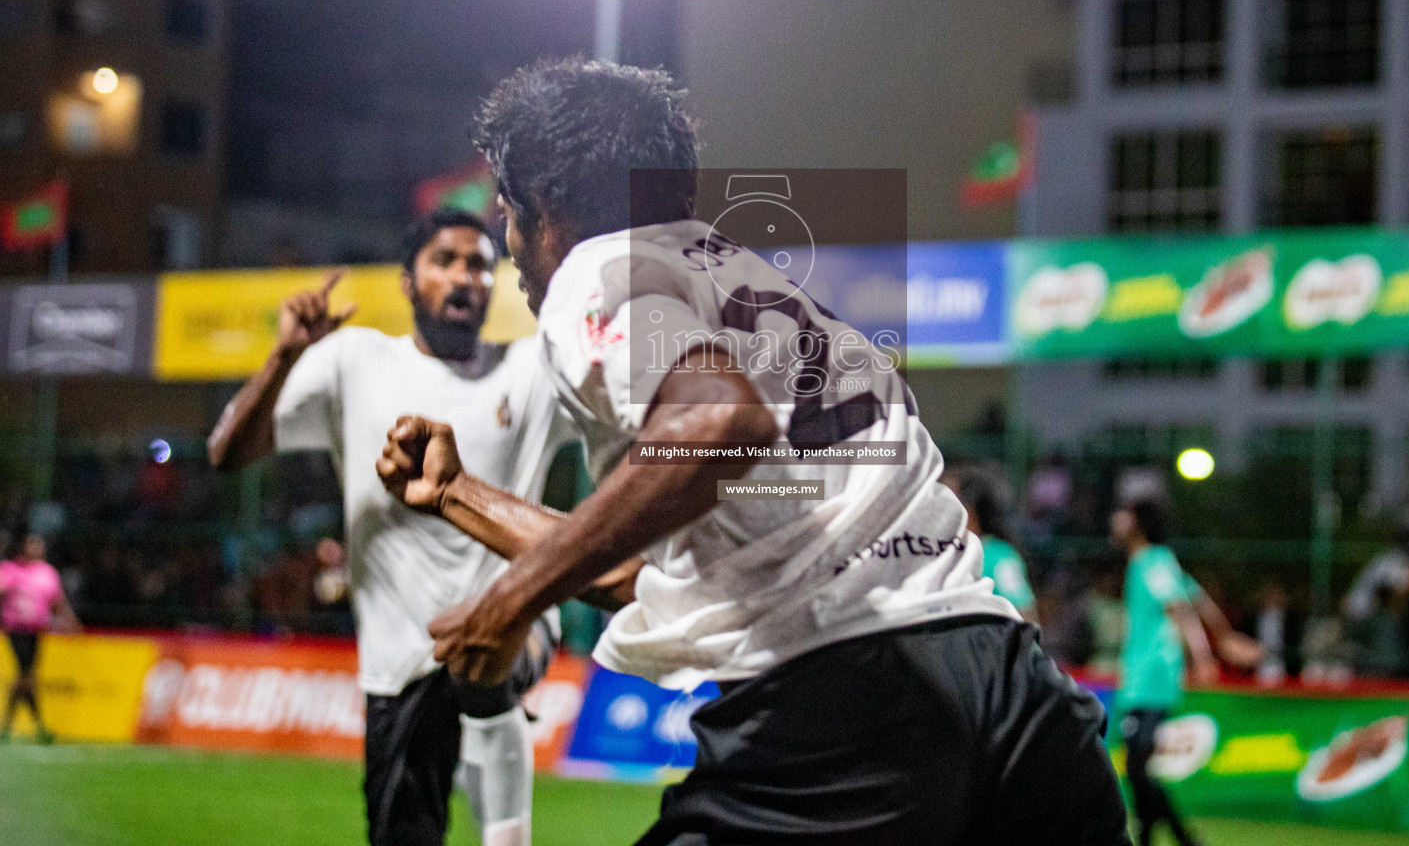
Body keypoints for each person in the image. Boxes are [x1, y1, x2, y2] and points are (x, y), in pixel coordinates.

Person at [376, 59, 1130, 846]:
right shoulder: (744, 281)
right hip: (1014, 695)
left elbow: (718, 426)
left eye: (507, 211)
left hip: (848, 710)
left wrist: (506, 605)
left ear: (551, 207)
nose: (507, 243)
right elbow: (650, 561)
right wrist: (460, 494)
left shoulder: (591, 276)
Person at [208, 208, 574, 846]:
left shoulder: (531, 368)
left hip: (512, 624)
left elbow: (637, 421)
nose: (466, 277)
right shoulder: (354, 360)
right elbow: (227, 453)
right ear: (408, 281)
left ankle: (506, 832)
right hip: (398, 662)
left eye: (481, 264)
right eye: (446, 261)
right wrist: (285, 356)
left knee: (487, 662)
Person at [1110, 497, 1218, 846]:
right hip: (1143, 676)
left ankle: (1179, 837)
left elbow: (1178, 606)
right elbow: (1196, 596)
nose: (1115, 519)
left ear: (1138, 523)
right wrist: (1226, 636)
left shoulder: (1150, 560)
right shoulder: (1157, 561)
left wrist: (1202, 656)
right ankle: (1156, 837)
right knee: (1138, 769)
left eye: (1122, 513)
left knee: (1137, 767)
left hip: (1151, 675)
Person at [1, 532, 81, 743]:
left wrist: (70, 621)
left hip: (36, 631)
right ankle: (38, 726)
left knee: (25, 677)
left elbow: (58, 602)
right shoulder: (11, 570)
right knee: (26, 676)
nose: (36, 548)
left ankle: (10, 726)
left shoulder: (47, 573)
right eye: (32, 544)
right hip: (15, 629)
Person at [942, 462, 1039, 623]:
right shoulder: (939, 554)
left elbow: (1024, 616)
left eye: (946, 502)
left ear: (970, 512)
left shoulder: (999, 557)